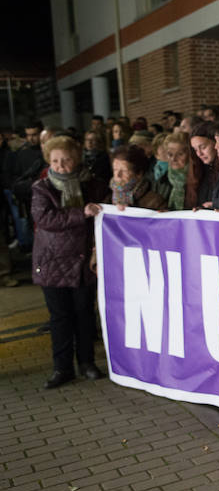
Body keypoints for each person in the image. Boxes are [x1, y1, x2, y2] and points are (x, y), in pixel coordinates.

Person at [31, 135, 107, 389]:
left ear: (76, 159)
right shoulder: (42, 188)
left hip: (83, 261)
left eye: (66, 160)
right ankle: (62, 368)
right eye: (55, 161)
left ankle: (87, 362)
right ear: (48, 162)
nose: (61, 166)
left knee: (84, 315)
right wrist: (81, 212)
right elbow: (45, 219)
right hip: (53, 263)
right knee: (60, 318)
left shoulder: (93, 185)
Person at [107, 145, 167, 211]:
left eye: (124, 171)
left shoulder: (155, 202)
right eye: (115, 169)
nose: (118, 175)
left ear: (139, 174)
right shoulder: (106, 198)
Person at [152, 132, 193, 210]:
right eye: (170, 154)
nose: (173, 159)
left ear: (190, 154)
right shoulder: (163, 179)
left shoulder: (200, 179)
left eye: (180, 154)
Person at [190, 122, 219, 207]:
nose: (199, 154)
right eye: (195, 149)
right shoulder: (200, 170)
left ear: (216, 143)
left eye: (203, 147)